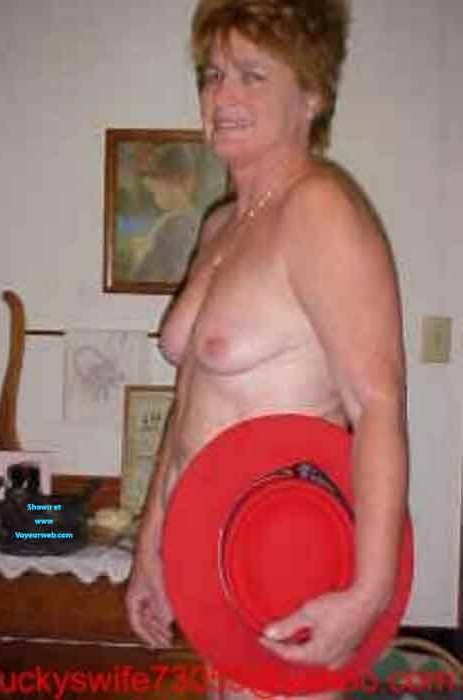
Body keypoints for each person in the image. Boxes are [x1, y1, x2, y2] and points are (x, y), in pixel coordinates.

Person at [126, 1, 409, 699]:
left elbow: (376, 404)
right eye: (212, 74)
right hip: (215, 563)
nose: (222, 95)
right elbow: (187, 404)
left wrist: (369, 594)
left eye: (252, 75)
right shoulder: (221, 225)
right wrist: (152, 546)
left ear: (311, 96)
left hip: (287, 556)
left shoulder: (319, 210)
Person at [132, 145, 202, 284]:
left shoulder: (173, 224)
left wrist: (141, 254)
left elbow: (147, 278)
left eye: (155, 184)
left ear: (170, 181)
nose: (153, 191)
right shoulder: (197, 219)